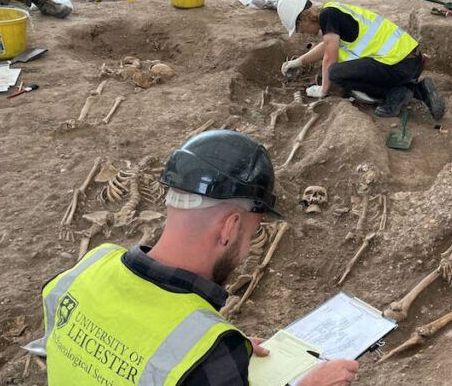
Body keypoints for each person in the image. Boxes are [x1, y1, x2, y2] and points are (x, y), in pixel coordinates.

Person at [24, 130, 359, 385]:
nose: (246, 248)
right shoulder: (210, 355)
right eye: (252, 232)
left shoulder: (86, 268)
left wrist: (225, 360)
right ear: (230, 227)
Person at [276, 0, 445, 120]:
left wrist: (323, 90)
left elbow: (329, 58)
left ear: (304, 18)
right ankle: (410, 91)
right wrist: (299, 62)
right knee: (340, 64)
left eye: (299, 28)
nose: (302, 33)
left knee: (335, 73)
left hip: (399, 65)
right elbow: (326, 47)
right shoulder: (332, 10)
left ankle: (404, 91)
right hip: (410, 60)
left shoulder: (328, 16)